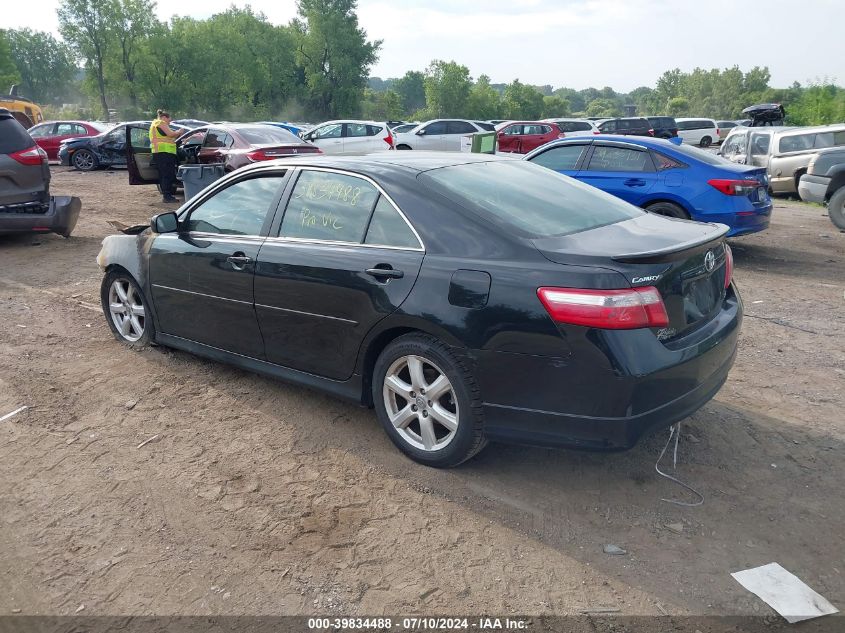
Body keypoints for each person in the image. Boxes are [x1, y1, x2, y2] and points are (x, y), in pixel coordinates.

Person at [149, 109, 181, 203]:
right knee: (166, 175)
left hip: (161, 153)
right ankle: (167, 196)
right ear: (164, 117)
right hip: (163, 153)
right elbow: (171, 134)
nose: (169, 121)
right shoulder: (160, 123)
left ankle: (167, 195)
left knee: (165, 175)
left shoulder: (155, 125)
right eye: (169, 119)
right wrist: (179, 131)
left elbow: (169, 136)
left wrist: (178, 135)